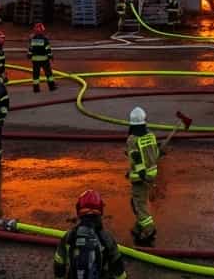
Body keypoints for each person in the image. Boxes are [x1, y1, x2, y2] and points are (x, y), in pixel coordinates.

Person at [54, 190, 128, 279]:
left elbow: (59, 261)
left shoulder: (69, 235)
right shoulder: (106, 237)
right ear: (100, 210)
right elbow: (118, 267)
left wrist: (59, 277)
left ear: (78, 210)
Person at [126, 106, 161, 245]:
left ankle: (149, 229)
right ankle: (138, 227)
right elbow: (155, 154)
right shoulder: (151, 136)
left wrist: (141, 175)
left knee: (139, 204)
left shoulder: (132, 140)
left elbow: (137, 159)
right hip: (152, 173)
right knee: (140, 202)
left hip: (140, 178)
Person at [29, 22, 56, 92]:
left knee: (36, 75)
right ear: (41, 30)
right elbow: (47, 49)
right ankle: (52, 86)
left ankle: (36, 88)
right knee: (48, 73)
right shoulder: (44, 39)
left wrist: (29, 55)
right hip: (44, 59)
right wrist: (50, 56)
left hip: (35, 60)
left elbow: (31, 48)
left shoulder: (33, 38)